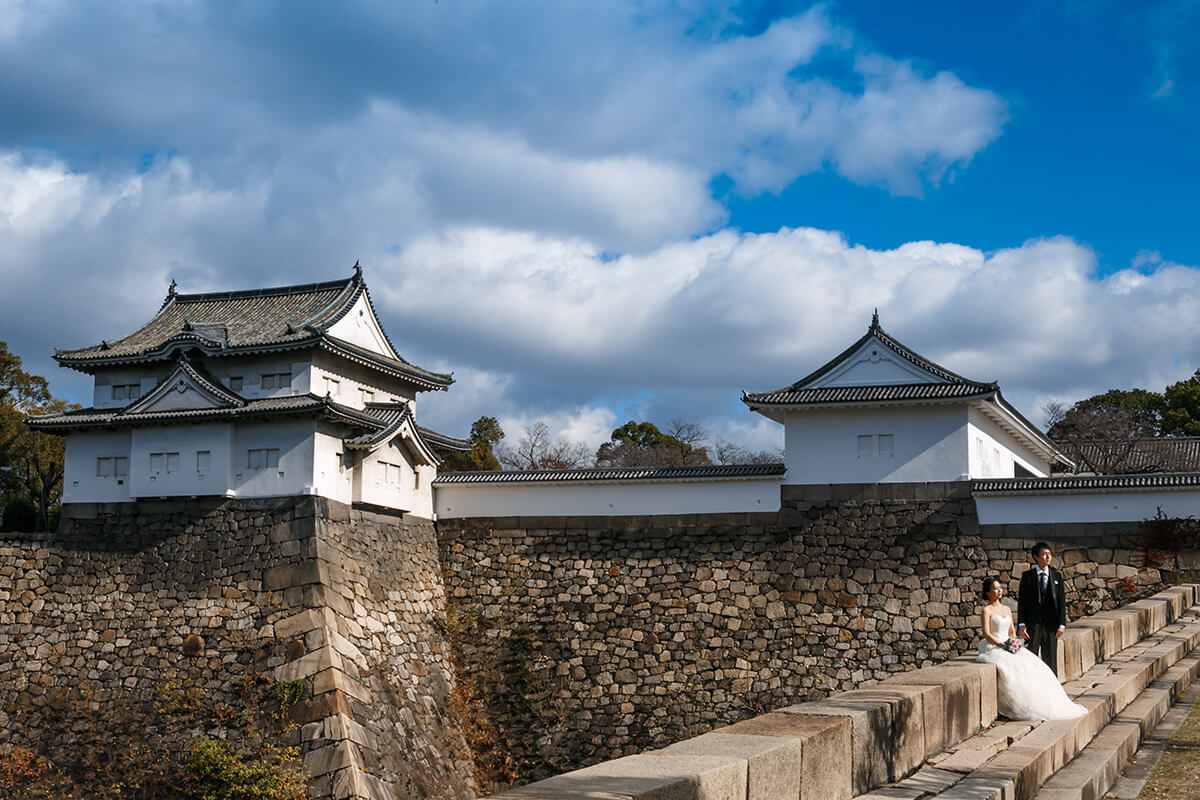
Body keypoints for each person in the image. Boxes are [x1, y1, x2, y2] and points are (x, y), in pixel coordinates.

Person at [976, 576, 1085, 720]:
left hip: (1008, 643)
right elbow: (986, 633)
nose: (999, 591)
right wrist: (1001, 645)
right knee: (1010, 667)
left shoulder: (1007, 609)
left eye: (1000, 588)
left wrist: (1013, 642)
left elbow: (1012, 632)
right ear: (988, 593)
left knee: (1033, 666)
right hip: (994, 644)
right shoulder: (986, 610)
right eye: (995, 589)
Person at [1017, 541, 1067, 674]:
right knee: (1030, 659)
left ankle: (1052, 691)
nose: (1047, 557)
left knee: (1051, 661)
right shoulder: (1027, 577)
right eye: (1044, 554)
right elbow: (1022, 602)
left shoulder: (1057, 576)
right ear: (1036, 557)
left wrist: (1062, 624)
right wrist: (1021, 624)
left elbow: (1062, 602)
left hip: (1051, 627)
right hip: (1033, 626)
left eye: (1049, 554)